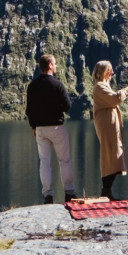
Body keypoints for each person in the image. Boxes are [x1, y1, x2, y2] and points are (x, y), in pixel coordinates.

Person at [25, 53, 77, 203]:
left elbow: (29, 110)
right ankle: (69, 192)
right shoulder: (57, 85)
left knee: (44, 162)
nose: (56, 66)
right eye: (55, 64)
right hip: (56, 127)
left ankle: (48, 195)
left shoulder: (32, 86)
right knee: (64, 161)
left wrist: (34, 126)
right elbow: (67, 106)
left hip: (40, 129)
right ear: (50, 66)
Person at [91, 60, 128, 199]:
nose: (112, 73)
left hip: (110, 127)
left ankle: (107, 191)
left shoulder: (104, 85)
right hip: (106, 127)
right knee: (110, 155)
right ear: (103, 72)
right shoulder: (99, 87)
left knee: (113, 155)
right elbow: (115, 99)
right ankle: (106, 191)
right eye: (109, 70)